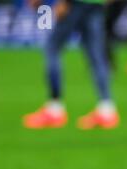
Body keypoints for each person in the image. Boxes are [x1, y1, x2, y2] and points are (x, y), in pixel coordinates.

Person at [23, 0, 119, 129]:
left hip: (75, 3)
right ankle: (107, 110)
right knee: (96, 56)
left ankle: (54, 109)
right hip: (96, 3)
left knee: (53, 48)